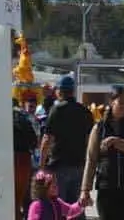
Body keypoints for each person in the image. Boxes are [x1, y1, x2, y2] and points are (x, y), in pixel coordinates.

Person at [81, 87, 124, 220]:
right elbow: (91, 160)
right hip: (107, 188)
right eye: (121, 102)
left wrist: (116, 142)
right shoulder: (99, 127)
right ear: (111, 102)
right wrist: (85, 190)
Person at [40, 75, 93, 204]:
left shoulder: (57, 110)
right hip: (80, 165)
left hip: (59, 165)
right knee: (76, 208)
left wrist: (41, 165)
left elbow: (47, 139)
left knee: (59, 206)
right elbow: (90, 141)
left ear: (59, 91)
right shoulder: (85, 112)